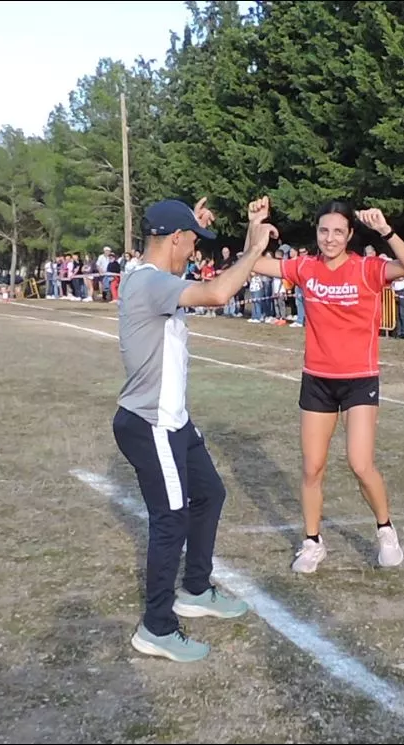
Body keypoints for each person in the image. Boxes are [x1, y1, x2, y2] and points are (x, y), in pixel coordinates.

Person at [112, 195, 278, 663]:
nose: (194, 250)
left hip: (174, 421)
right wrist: (255, 248)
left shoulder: (149, 275)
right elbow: (219, 293)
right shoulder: (150, 283)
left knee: (209, 494)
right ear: (174, 240)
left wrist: (239, 231)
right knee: (171, 520)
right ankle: (157, 627)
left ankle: (196, 590)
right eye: (191, 241)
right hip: (152, 424)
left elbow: (198, 274)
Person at [249, 200, 404, 574]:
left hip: (359, 379)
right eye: (324, 230)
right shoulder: (305, 267)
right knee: (312, 468)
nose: (330, 238)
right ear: (316, 232)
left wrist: (386, 230)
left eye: (338, 231)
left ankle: (385, 530)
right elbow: (253, 262)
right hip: (317, 379)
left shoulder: (366, 269)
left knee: (360, 464)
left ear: (350, 235)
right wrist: (255, 225)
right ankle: (312, 542)